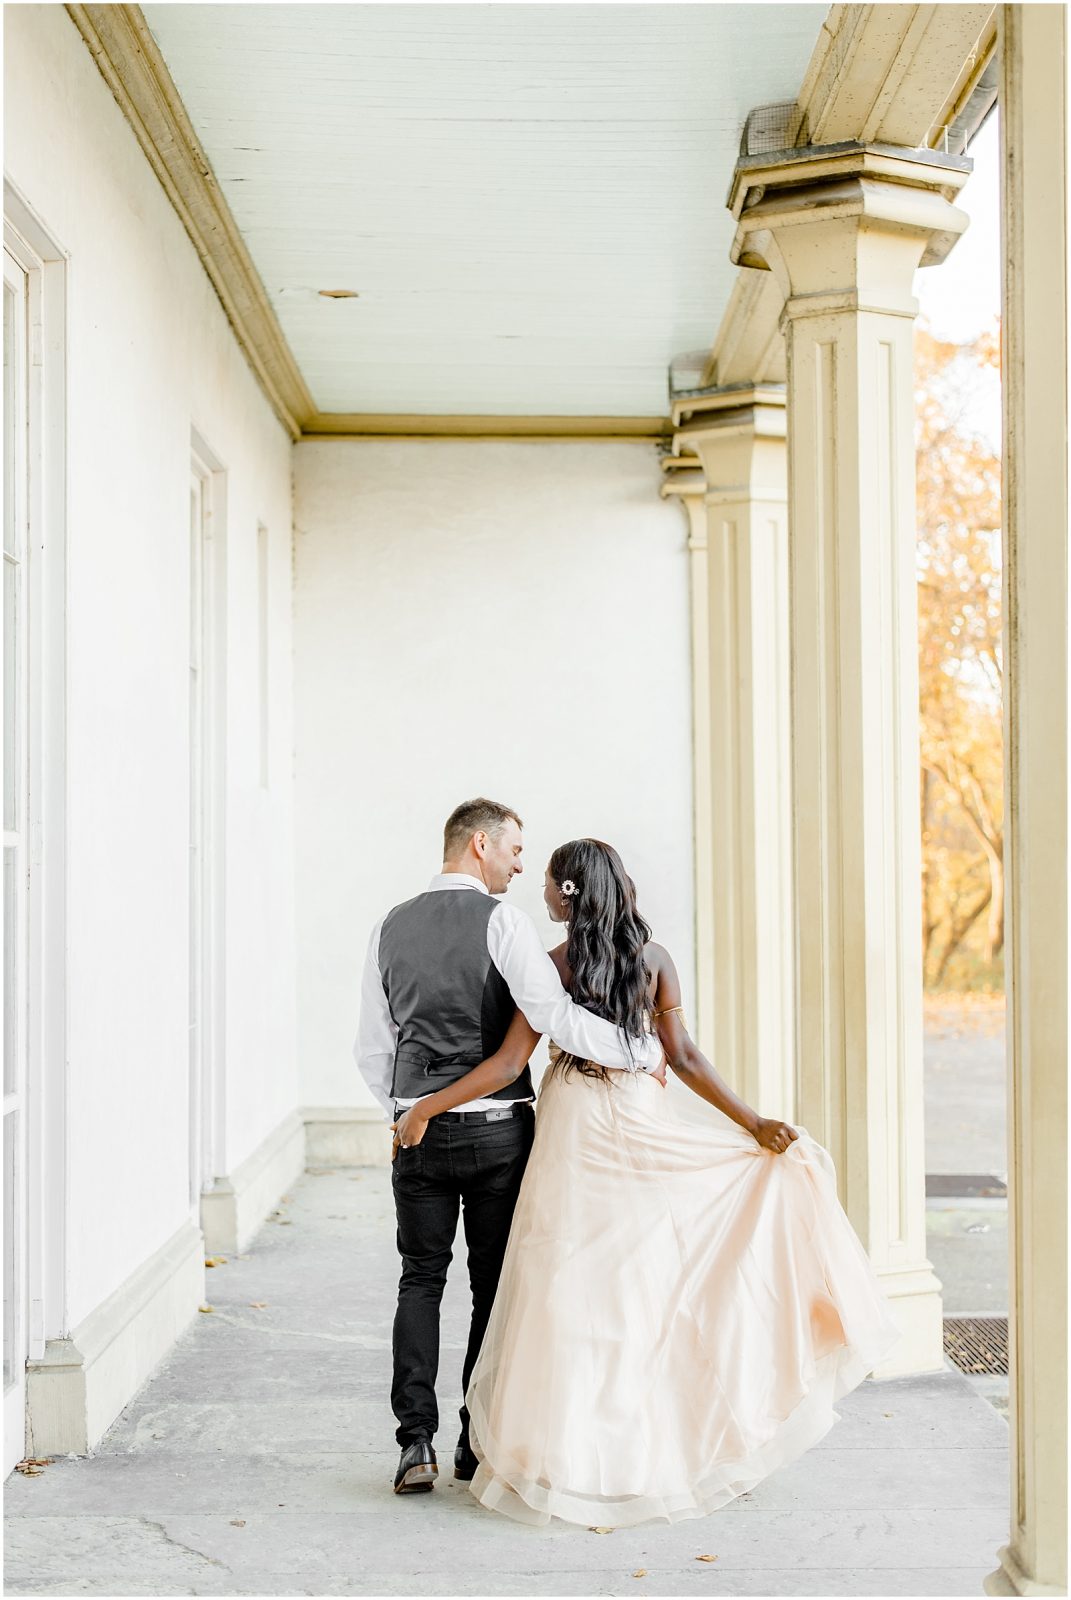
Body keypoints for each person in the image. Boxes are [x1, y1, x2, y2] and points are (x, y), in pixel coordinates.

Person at [391, 837, 902, 1527]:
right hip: (634, 1114)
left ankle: (561, 1452)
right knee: (641, 1281)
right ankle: (654, 1446)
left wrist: (429, 1103)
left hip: (572, 1122)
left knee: (564, 1282)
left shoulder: (551, 965)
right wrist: (751, 1123)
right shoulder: (654, 961)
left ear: (568, 893)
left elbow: (513, 1058)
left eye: (546, 883)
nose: (539, 892)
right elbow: (682, 1056)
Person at [354, 803, 664, 1497]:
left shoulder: (387, 926)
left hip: (418, 1135)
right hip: (497, 1134)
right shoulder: (503, 923)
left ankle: (413, 1444)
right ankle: (474, 1437)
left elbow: (372, 1047)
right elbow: (551, 1017)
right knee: (492, 1286)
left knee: (419, 1282)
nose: (521, 865)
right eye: (515, 850)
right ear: (480, 843)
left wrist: (405, 1113)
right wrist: (638, 1050)